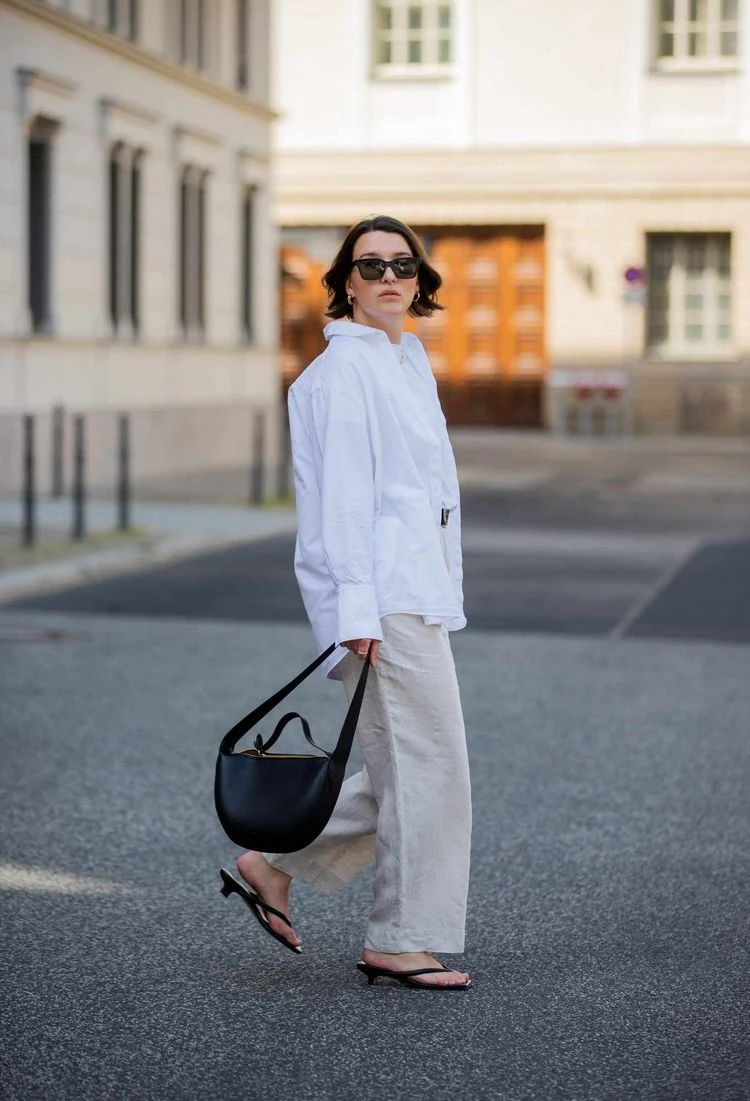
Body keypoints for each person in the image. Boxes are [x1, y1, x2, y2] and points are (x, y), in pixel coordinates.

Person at [227, 215, 472, 990]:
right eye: (370, 267)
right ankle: (397, 937)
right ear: (346, 283)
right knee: (430, 766)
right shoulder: (339, 377)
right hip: (382, 597)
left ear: (420, 280)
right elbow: (339, 507)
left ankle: (270, 865)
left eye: (403, 264)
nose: (389, 276)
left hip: (414, 588)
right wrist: (356, 615)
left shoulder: (406, 360)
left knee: (404, 765)